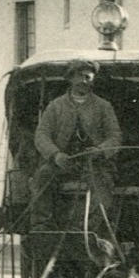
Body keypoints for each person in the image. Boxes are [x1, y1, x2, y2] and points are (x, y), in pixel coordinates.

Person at [30, 58, 122, 231]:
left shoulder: (103, 106)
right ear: (70, 78)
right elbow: (41, 135)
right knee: (42, 177)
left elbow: (115, 136)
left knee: (102, 189)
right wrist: (56, 155)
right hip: (61, 163)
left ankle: (87, 231)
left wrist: (100, 151)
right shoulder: (55, 106)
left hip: (95, 164)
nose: (83, 81)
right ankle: (42, 228)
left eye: (88, 77)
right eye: (79, 77)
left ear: (93, 80)